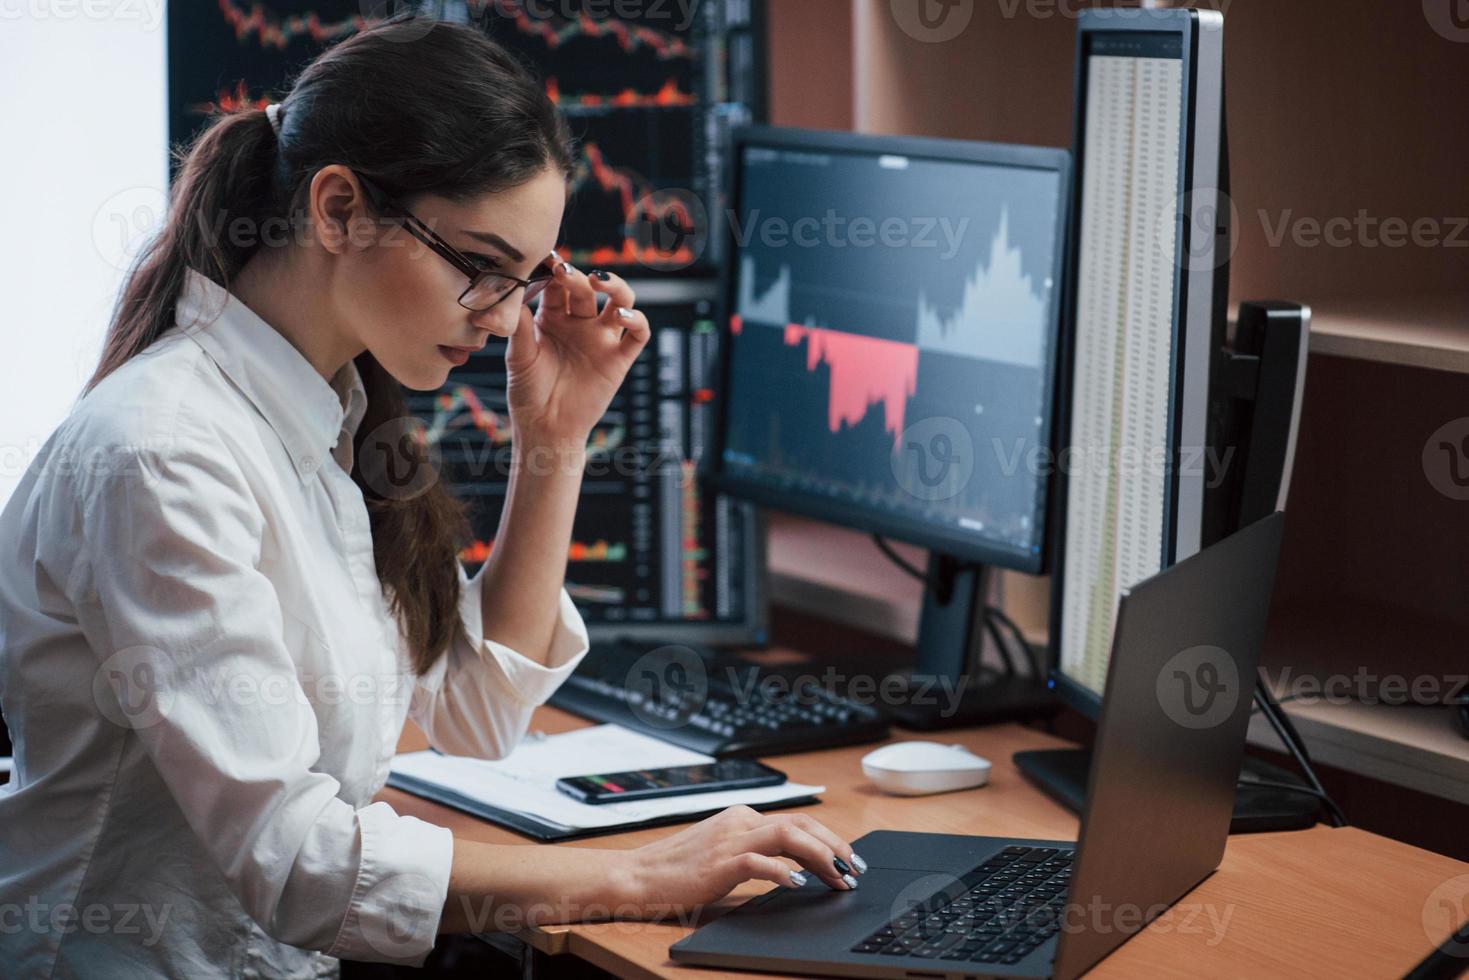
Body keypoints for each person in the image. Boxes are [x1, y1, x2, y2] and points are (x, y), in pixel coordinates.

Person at [0, 15, 863, 978]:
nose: (502, 323)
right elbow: (297, 864)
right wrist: (637, 875)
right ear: (337, 209)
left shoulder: (330, 414)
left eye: (522, 283)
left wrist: (555, 441)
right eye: (479, 271)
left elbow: (477, 710)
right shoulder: (161, 454)